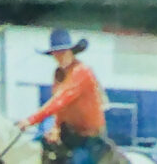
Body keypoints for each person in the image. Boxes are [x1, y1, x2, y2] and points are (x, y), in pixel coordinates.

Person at [16, 30, 110, 162]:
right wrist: (55, 128)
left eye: (63, 52)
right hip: (69, 134)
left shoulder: (82, 72)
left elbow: (59, 101)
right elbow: (60, 108)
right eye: (56, 54)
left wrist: (30, 120)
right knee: (35, 148)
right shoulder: (59, 74)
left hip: (90, 138)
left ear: (72, 52)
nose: (59, 57)